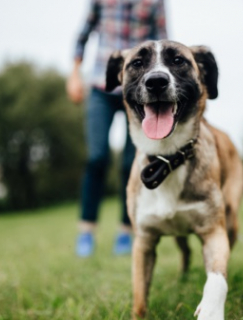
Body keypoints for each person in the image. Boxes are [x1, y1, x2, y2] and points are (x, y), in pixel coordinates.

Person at [67, 0, 168, 257]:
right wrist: (75, 73)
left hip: (138, 89)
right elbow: (83, 33)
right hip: (101, 86)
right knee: (96, 158)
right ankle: (86, 232)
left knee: (130, 163)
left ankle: (125, 231)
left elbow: (164, 41)